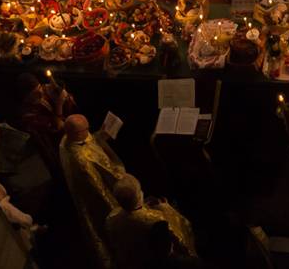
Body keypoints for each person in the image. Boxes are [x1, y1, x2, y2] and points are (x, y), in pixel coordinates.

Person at [59, 114, 128, 268]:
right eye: (87, 130)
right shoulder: (82, 159)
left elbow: (89, 142)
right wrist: (121, 174)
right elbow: (106, 180)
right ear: (77, 134)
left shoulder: (66, 141)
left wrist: (99, 136)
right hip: (99, 201)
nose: (89, 132)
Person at [105, 174, 197, 268]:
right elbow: (168, 249)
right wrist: (167, 208)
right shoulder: (155, 221)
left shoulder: (111, 217)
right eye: (140, 190)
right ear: (139, 196)